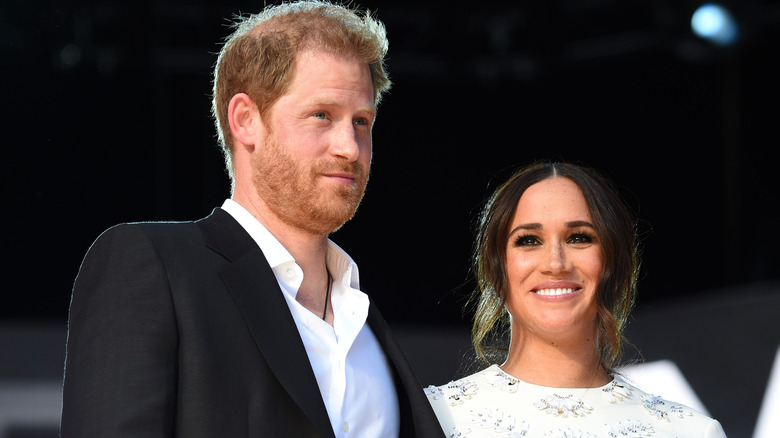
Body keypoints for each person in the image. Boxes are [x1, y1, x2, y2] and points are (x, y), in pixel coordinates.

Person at [60, 2, 444, 437]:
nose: (350, 148)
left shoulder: (368, 324)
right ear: (246, 120)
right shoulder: (152, 266)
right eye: (322, 115)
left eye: (361, 121)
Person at [425, 161, 727, 438]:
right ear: (496, 269)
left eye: (579, 237)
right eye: (529, 241)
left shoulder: (690, 432)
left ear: (614, 263)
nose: (555, 263)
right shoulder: (429, 417)